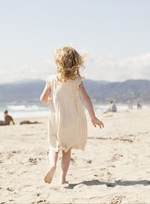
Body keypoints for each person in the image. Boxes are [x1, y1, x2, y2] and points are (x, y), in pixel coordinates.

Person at [40, 46, 104, 185]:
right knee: (66, 150)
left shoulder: (51, 80)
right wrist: (92, 116)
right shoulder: (77, 81)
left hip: (56, 118)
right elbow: (86, 99)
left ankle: (52, 165)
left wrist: (50, 101)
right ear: (76, 63)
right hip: (72, 119)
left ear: (58, 62)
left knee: (54, 146)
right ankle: (63, 179)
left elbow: (43, 99)